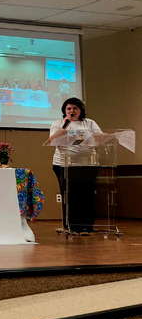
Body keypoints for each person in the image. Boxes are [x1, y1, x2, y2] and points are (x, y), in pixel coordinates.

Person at [48, 97, 102, 235]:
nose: (72, 111)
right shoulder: (58, 123)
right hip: (64, 165)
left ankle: (87, 226)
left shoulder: (89, 123)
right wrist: (65, 126)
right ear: (64, 111)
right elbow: (52, 140)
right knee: (70, 195)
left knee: (87, 195)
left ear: (80, 110)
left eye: (75, 108)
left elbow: (100, 137)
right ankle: (72, 226)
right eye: (69, 108)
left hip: (88, 165)